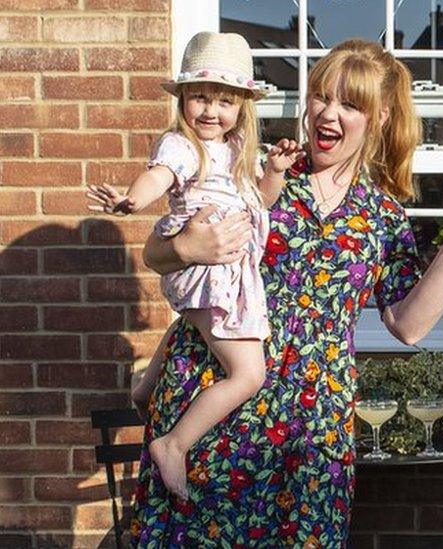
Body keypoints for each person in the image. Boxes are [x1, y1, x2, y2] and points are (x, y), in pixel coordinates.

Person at [128, 38, 443, 547]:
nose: (327, 114)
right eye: (320, 97)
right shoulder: (257, 177)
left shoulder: (382, 216)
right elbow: (155, 256)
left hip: (312, 428)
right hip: (213, 404)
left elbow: (408, 324)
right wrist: (185, 245)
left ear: (378, 117)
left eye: (350, 104)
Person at [86, 31, 305, 501]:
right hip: (209, 269)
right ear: (184, 99)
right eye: (200, 97)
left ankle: (146, 387)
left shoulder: (235, 150)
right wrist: (131, 200)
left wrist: (275, 173)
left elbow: (260, 204)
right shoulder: (184, 147)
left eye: (224, 101)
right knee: (249, 375)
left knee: (196, 326)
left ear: (242, 107)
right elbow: (156, 177)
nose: (210, 110)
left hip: (228, 270)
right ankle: (174, 444)